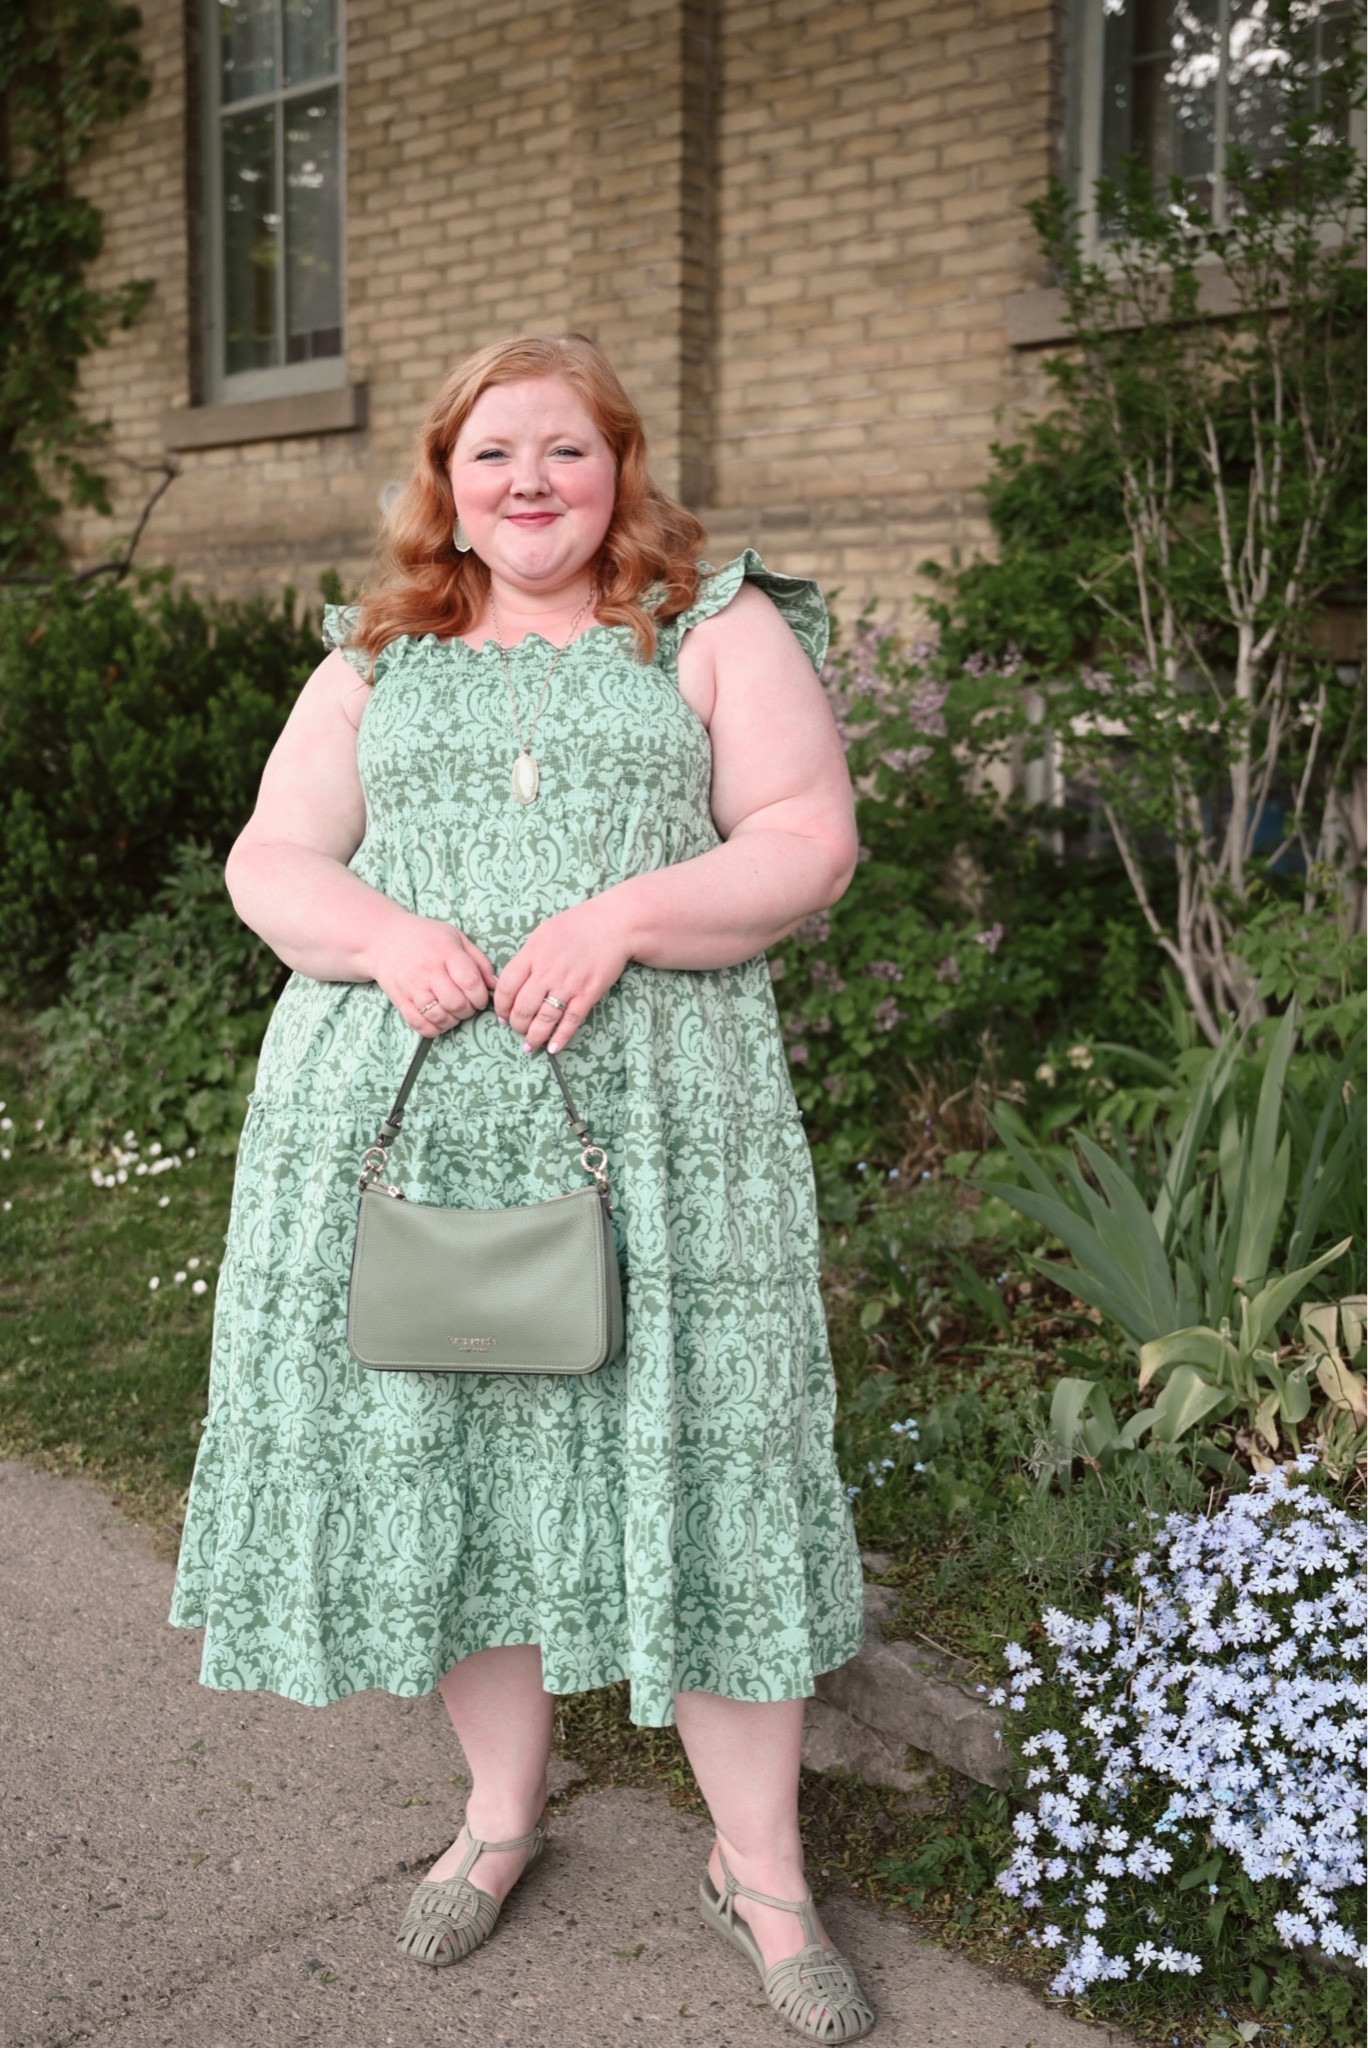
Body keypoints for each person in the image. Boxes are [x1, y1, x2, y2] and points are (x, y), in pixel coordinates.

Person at [170, 332, 872, 2043]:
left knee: (710, 1466)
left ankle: (759, 1871)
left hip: (665, 1157)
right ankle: (499, 1817)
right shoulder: (378, 650)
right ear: (447, 483)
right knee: (455, 1479)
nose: (531, 482)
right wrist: (389, 933)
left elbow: (805, 834)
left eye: (567, 449)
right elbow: (275, 859)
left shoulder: (712, 627)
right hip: (399, 1140)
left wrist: (617, 914)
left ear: (621, 467)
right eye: (495, 456)